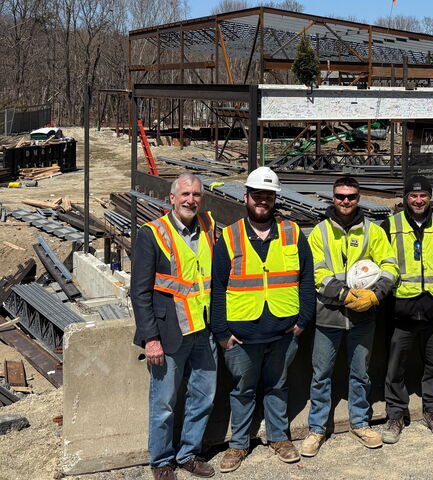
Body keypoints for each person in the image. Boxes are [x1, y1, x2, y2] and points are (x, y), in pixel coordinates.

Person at [210, 167, 315, 471]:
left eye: (268, 196)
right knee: (242, 390)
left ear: (274, 199)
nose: (262, 201)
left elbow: (306, 280)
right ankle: (239, 444)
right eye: (257, 195)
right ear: (246, 197)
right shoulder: (229, 237)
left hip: (284, 331)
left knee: (278, 387)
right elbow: (217, 288)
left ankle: (279, 439)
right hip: (241, 335)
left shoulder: (293, 233)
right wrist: (221, 333)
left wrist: (303, 320)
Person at [301, 176, 399, 456]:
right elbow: (316, 271)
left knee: (360, 374)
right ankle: (317, 428)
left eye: (351, 196)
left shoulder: (374, 231)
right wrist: (344, 295)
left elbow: (390, 265)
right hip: (328, 315)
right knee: (321, 375)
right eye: (341, 196)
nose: (346, 201)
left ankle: (360, 422)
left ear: (359, 198)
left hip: (363, 316)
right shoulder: (319, 232)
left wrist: (375, 294)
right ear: (333, 198)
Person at [131, 173, 218, 480]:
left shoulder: (208, 226)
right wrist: (150, 338)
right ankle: (162, 461)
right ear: (171, 198)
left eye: (196, 195)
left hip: (203, 331)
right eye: (185, 194)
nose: (190, 200)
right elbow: (139, 292)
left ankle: (188, 453)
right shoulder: (152, 233)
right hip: (169, 334)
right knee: (164, 403)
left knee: (203, 397)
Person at [379, 176, 433, 444]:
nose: (418, 200)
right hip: (400, 311)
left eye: (423, 195)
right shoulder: (389, 226)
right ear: (406, 198)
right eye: (413, 196)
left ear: (429, 197)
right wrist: (389, 303)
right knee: (395, 367)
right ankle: (395, 414)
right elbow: (378, 263)